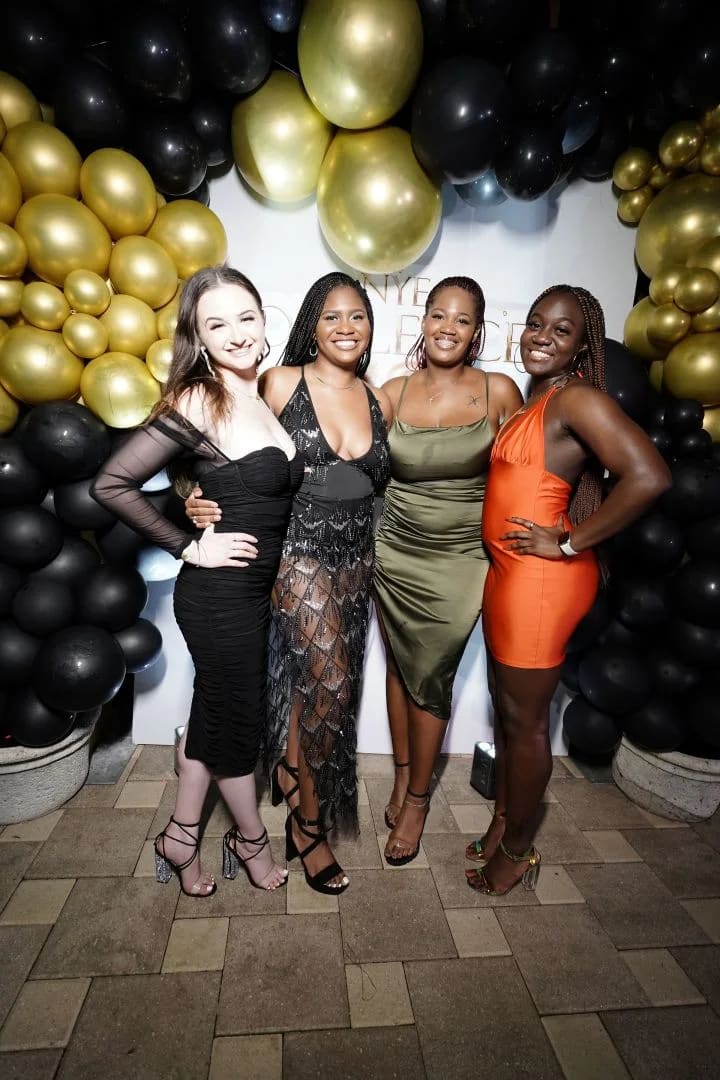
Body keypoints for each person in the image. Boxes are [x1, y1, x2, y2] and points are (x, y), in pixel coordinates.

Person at [92, 266, 303, 896]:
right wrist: (189, 545)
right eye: (217, 324)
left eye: (245, 317)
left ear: (263, 319)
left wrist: (194, 499)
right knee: (238, 729)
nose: (236, 333)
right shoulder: (197, 398)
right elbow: (112, 484)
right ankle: (251, 843)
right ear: (199, 337)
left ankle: (181, 839)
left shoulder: (259, 397)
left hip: (251, 595)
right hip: (218, 598)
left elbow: (231, 484)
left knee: (213, 714)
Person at [186, 272, 391, 894]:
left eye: (357, 316)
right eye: (332, 316)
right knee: (330, 684)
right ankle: (307, 826)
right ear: (310, 325)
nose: (346, 327)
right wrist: (192, 499)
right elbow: (216, 446)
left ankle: (289, 769)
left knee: (318, 690)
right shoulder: (278, 382)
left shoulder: (379, 398)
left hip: (355, 563)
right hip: (296, 555)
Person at [465, 284, 671, 895]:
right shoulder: (540, 395)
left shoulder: (578, 398)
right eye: (536, 323)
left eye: (561, 330)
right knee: (507, 711)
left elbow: (649, 475)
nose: (542, 337)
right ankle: (505, 819)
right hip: (510, 574)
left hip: (541, 582)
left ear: (583, 347)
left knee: (526, 722)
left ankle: (518, 851)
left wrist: (569, 542)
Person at [374, 276, 523, 866]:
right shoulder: (392, 391)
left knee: (432, 673)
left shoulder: (498, 391)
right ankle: (401, 775)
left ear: (477, 331)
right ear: (424, 320)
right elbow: (352, 462)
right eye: (439, 315)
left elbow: (527, 472)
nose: (448, 328)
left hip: (463, 555)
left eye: (462, 320)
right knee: (399, 665)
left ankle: (417, 800)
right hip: (394, 548)